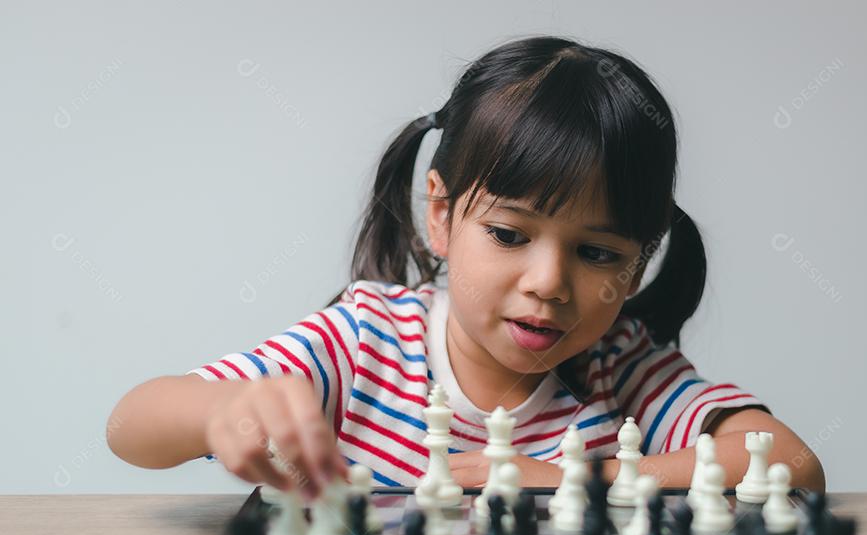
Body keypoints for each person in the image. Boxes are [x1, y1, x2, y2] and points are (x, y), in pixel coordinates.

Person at [107, 36, 826, 499]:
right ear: (442, 216)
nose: (549, 282)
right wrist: (220, 412)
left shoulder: (624, 368)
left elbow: (791, 463)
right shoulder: (364, 343)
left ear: (637, 267)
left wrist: (579, 477)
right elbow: (131, 424)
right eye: (510, 234)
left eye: (597, 252)